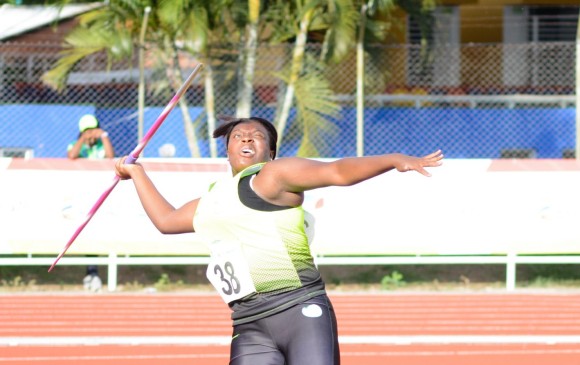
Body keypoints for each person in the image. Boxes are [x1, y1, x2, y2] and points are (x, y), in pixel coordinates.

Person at [114, 115, 443, 365]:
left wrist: (393, 159)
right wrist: (137, 174)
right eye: (238, 135)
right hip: (248, 322)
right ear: (227, 149)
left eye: (257, 137)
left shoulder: (271, 176)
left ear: (270, 152)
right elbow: (167, 221)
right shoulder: (211, 199)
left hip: (298, 310)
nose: (247, 138)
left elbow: (337, 172)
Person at [68, 114, 114, 290]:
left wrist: (104, 136)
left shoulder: (102, 145)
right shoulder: (76, 146)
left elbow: (110, 156)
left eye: (93, 130)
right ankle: (90, 271)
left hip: (99, 196)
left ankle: (93, 271)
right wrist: (83, 139)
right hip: (80, 197)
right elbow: (72, 155)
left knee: (96, 233)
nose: (91, 134)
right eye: (87, 131)